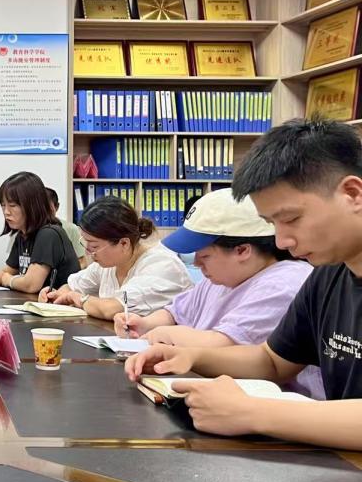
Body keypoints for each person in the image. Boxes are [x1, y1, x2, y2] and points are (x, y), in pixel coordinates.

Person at [126, 119, 362, 448]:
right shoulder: (327, 275)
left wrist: (252, 412)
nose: (281, 241)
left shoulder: (304, 273)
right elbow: (273, 361)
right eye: (272, 224)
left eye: (291, 219)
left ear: (352, 194)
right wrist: (191, 357)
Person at [111, 188, 321, 399]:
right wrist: (145, 324)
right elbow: (175, 312)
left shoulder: (283, 284)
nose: (196, 263)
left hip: (273, 403)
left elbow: (223, 347)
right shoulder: (222, 278)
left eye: (205, 256)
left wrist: (167, 335)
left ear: (242, 250)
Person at [40, 196, 191, 320]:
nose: (88, 252)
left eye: (94, 246)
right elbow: (72, 287)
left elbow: (112, 309)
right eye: (85, 243)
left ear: (124, 243)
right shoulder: (109, 263)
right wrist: (56, 295)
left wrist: (79, 298)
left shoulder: (161, 265)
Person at [0, 172, 79, 293]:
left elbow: (31, 284)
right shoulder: (23, 234)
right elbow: (7, 271)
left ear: (32, 206)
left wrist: (7, 280)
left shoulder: (49, 234)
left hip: (59, 304)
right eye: (3, 205)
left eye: (12, 205)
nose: (6, 212)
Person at [46, 187, 87, 268]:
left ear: (57, 207)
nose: (43, 212)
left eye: (47, 208)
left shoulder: (70, 229)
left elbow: (82, 262)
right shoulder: (28, 230)